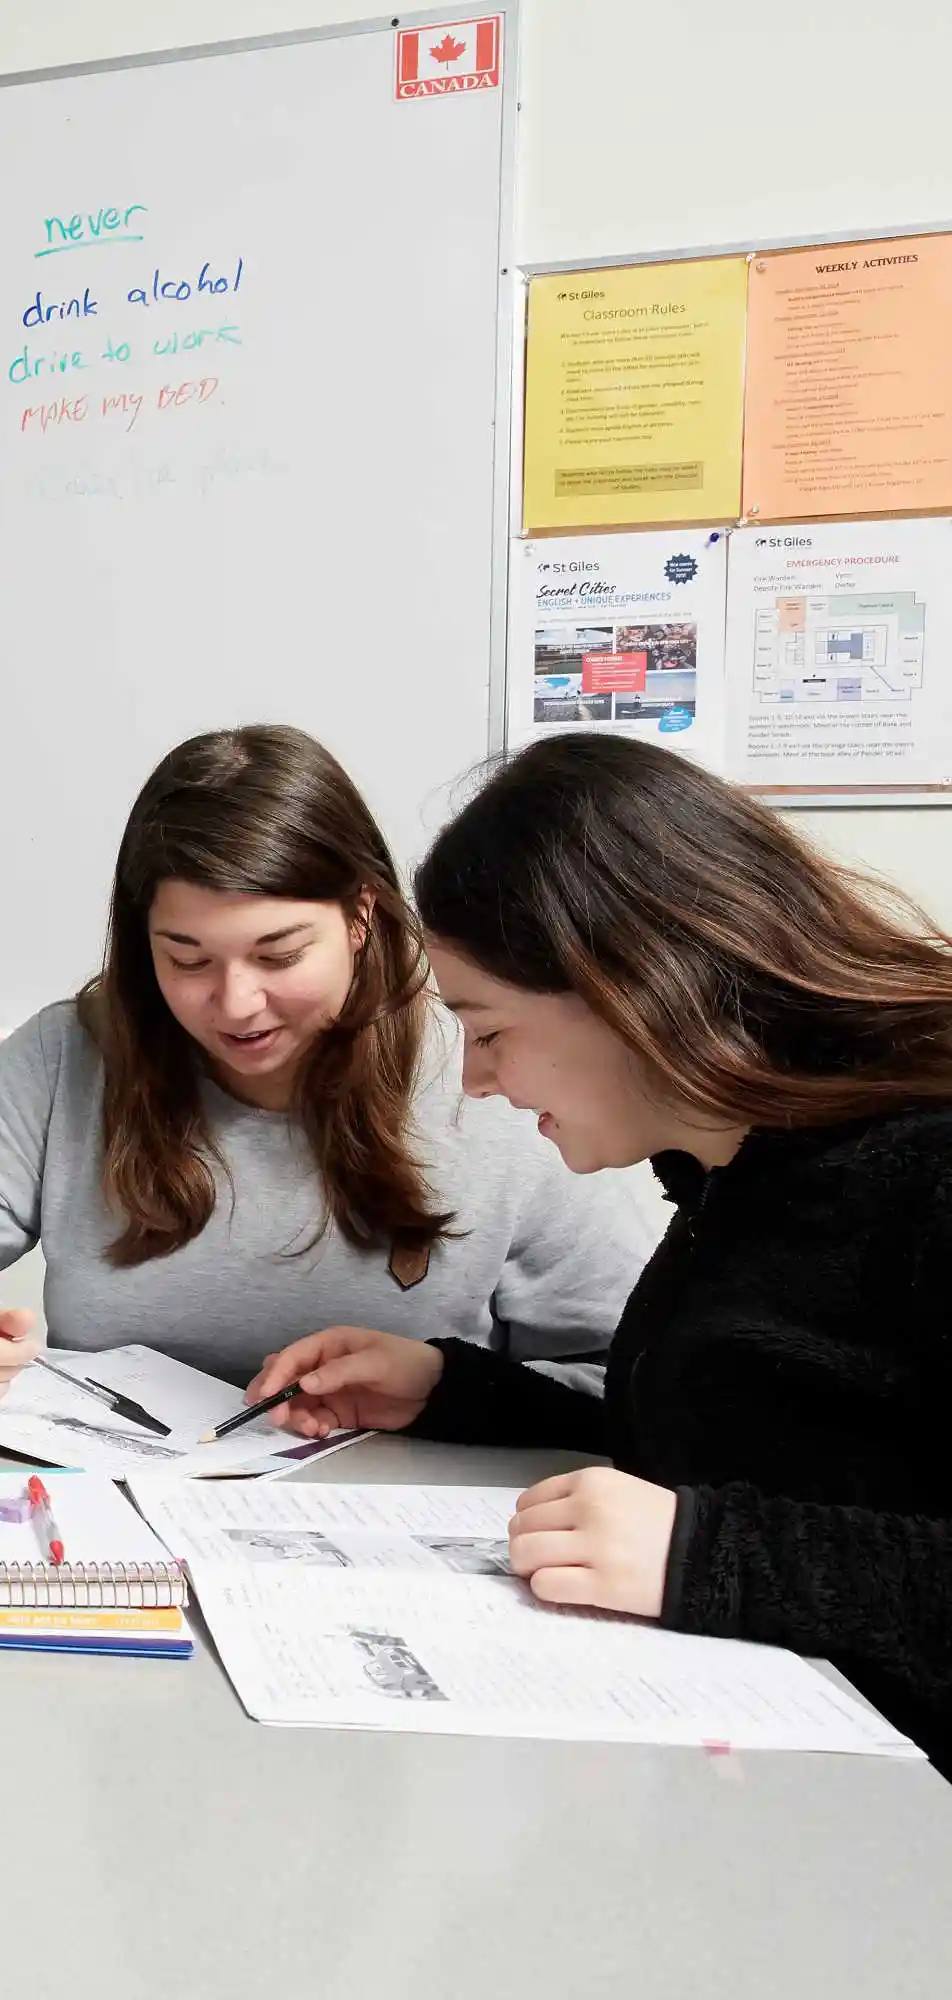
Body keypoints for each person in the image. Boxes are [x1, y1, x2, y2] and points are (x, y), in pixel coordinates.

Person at [246, 733, 952, 1762]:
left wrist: (710, 1556)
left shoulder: (925, 1172)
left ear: (629, 986)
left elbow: (732, 1519)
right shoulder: (741, 1179)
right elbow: (731, 1441)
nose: (477, 1081)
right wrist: (455, 1391)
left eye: (487, 1030)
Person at [0, 725, 653, 1419]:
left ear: (361, 916)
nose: (235, 1004)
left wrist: (445, 1394)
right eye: (188, 959)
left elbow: (629, 1375)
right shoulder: (74, 1052)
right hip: (109, 1507)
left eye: (278, 953)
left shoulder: (490, 1068)